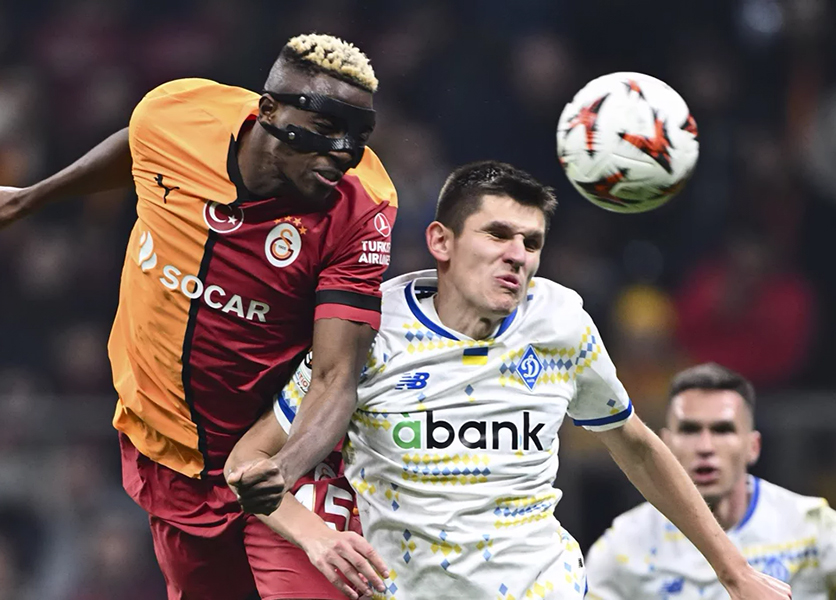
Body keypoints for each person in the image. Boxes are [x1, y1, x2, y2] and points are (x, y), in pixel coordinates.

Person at [0, 33, 396, 600]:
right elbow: (140, 144)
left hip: (284, 459)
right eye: (326, 128)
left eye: (358, 137)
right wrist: (27, 198)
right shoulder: (178, 116)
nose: (343, 153)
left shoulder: (362, 206)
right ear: (268, 110)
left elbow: (337, 377)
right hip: (170, 456)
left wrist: (282, 471)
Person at [228, 161, 791, 599]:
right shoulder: (372, 329)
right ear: (442, 241)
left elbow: (637, 446)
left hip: (545, 584)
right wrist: (316, 535)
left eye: (532, 242)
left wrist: (735, 572)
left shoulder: (561, 323)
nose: (517, 256)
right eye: (498, 234)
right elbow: (248, 461)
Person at [584, 363, 836, 599]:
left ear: (753, 446)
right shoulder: (625, 545)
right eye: (689, 430)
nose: (705, 447)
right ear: (664, 446)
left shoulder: (812, 528)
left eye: (722, 430)